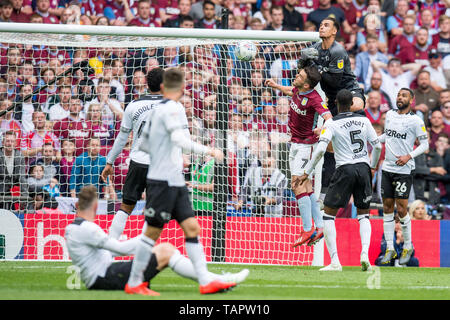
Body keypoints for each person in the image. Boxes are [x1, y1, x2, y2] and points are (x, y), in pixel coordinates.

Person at [128, 68, 239, 295]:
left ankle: (205, 281)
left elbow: (146, 145)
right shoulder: (172, 109)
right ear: (181, 88)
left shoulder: (158, 110)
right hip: (163, 181)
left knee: (191, 227)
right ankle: (134, 281)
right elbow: (179, 139)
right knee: (151, 233)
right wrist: (209, 150)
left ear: (162, 87)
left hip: (174, 180)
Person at [64, 185, 248, 294]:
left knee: (166, 250)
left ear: (78, 204)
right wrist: (148, 237)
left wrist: (147, 239)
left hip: (102, 276)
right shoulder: (86, 228)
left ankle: (214, 280)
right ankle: (214, 280)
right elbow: (120, 249)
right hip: (105, 278)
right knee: (166, 251)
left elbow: (112, 250)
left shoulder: (73, 228)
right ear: (96, 206)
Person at [298, 89, 382, 272]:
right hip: (363, 167)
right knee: (364, 214)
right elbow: (377, 146)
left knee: (328, 214)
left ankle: (335, 261)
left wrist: (307, 171)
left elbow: (320, 151)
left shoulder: (332, 123)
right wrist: (373, 167)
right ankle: (365, 255)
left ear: (336, 104)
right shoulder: (364, 120)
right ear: (352, 103)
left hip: (344, 169)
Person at [265, 65, 332, 247]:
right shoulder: (298, 90)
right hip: (294, 142)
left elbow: (329, 118)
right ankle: (319, 227)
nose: (296, 76)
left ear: (307, 84)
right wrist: (276, 86)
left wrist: (322, 129)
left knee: (297, 184)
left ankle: (306, 229)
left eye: (300, 75)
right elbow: (290, 91)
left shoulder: (314, 98)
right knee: (307, 188)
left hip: (306, 146)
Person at [101, 67, 165, 240]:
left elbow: (122, 137)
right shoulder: (173, 106)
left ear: (146, 84)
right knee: (153, 211)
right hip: (159, 164)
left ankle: (111, 247)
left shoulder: (133, 105)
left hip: (137, 161)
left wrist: (109, 162)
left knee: (126, 207)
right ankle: (143, 252)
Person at [378, 88, 429, 266]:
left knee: (401, 209)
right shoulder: (390, 115)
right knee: (386, 207)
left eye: (404, 95)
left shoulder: (415, 120)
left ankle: (407, 245)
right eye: (399, 94)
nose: (400, 97)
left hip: (404, 170)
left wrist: (409, 156)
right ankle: (390, 248)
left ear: (412, 100)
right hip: (387, 167)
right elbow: (389, 136)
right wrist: (377, 139)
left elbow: (425, 144)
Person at [0, 130, 27, 209]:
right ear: (2, 142)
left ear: (15, 143)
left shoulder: (19, 156)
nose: (9, 143)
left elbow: (22, 178)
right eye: (7, 141)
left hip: (14, 192)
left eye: (12, 141)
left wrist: (24, 196)